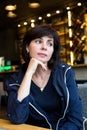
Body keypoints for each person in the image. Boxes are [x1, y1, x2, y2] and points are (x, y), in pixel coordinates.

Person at [5, 25, 83, 130]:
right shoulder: (15, 80)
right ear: (27, 47)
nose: (44, 47)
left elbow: (76, 118)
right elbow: (17, 117)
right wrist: (29, 73)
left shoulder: (64, 72)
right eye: (38, 41)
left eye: (50, 44)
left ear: (52, 50)